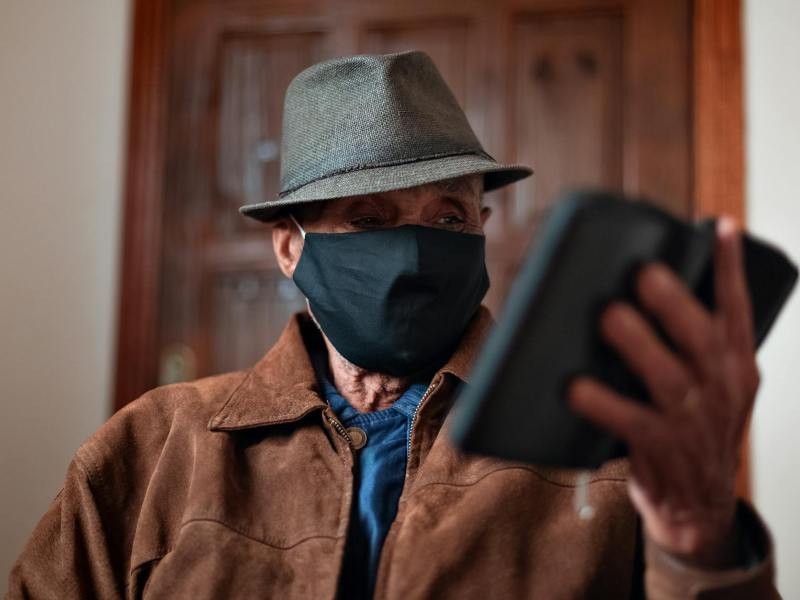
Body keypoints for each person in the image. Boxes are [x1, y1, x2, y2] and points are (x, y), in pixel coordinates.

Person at [6, 50, 779, 600]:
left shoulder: (602, 460)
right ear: (288, 246)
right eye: (366, 219)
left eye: (446, 215)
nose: (414, 250)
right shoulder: (153, 451)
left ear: (481, 224)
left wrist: (702, 546)